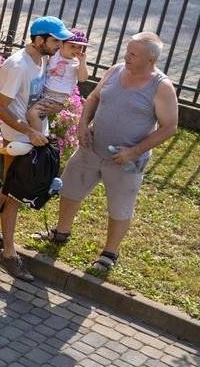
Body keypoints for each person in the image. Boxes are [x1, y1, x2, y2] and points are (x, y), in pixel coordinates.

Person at [42, 32, 179, 271]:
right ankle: (61, 232)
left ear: (150, 60)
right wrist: (83, 123)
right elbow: (94, 97)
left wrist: (134, 151)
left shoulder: (161, 87)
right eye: (127, 51)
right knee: (71, 189)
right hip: (91, 147)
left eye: (133, 54)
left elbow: (169, 128)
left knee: (120, 205)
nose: (126, 56)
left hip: (124, 159)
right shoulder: (115, 70)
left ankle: (109, 253)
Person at [0, 16, 72, 281]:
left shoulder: (43, 59)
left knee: (11, 187)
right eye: (55, 40)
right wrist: (29, 131)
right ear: (39, 39)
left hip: (34, 135)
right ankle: (8, 254)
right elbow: (0, 108)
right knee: (15, 193)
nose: (59, 46)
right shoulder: (17, 65)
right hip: (19, 139)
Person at [26, 28, 89, 133]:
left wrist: (83, 62)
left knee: (32, 114)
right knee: (32, 113)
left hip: (57, 96)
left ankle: (38, 140)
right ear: (62, 44)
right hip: (44, 91)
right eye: (72, 46)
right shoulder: (55, 53)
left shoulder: (76, 63)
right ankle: (37, 136)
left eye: (80, 47)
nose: (76, 50)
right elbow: (40, 50)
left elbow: (83, 78)